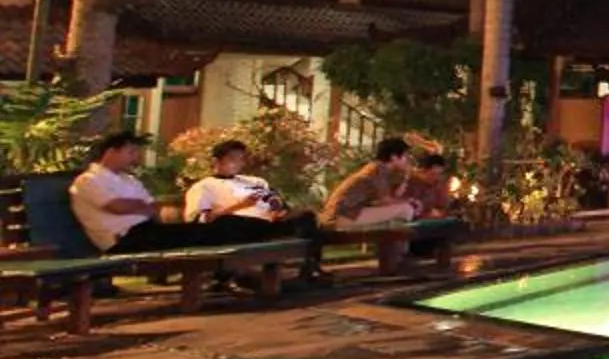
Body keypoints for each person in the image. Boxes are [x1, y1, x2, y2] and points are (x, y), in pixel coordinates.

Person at [180, 139, 322, 245]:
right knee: (228, 222)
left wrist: (277, 210)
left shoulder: (254, 181)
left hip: (268, 225)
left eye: (241, 159)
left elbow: (276, 201)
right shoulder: (204, 186)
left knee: (306, 216)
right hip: (238, 227)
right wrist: (239, 206)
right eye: (232, 159)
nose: (238, 163)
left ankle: (310, 269)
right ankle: (230, 277)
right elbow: (200, 221)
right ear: (216, 162)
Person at [70, 128, 162, 253]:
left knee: (193, 232)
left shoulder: (130, 180)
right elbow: (117, 207)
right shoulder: (88, 180)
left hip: (147, 231)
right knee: (191, 235)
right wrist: (141, 205)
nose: (135, 159)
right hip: (122, 239)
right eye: (131, 152)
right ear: (111, 152)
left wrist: (136, 205)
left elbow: (154, 207)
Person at [322, 137, 421, 231]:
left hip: (343, 215)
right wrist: (409, 202)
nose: (407, 160)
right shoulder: (378, 170)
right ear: (394, 157)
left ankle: (393, 245)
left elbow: (391, 198)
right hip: (343, 216)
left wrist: (406, 176)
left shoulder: (378, 169)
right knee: (406, 210)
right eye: (405, 156)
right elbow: (386, 201)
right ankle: (397, 248)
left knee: (404, 209)